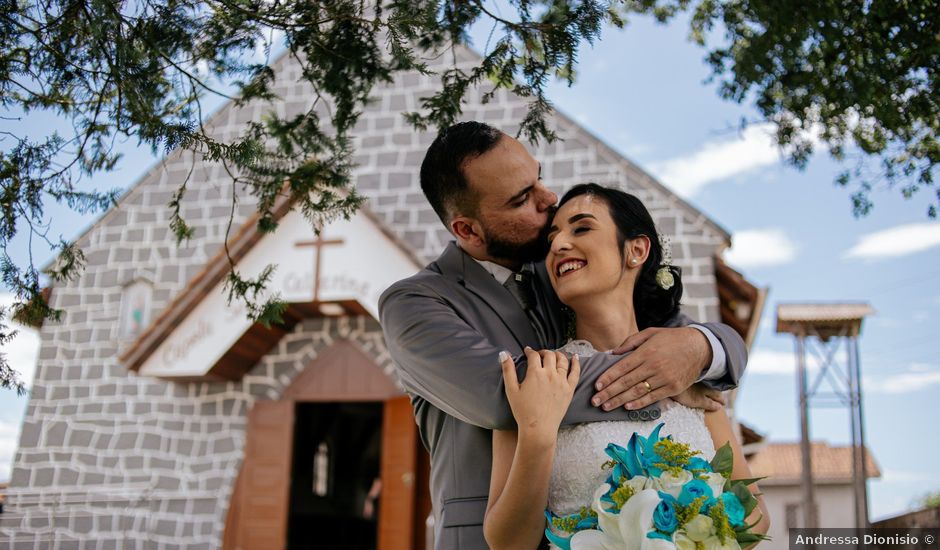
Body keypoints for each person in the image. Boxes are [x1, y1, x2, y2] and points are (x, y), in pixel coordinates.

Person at [379, 121, 749, 550]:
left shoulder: (567, 270)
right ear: (468, 230)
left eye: (538, 178)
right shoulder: (415, 303)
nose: (548, 199)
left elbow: (694, 338)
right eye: (522, 198)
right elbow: (505, 397)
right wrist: (657, 378)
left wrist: (700, 348)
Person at [483, 184, 769, 548]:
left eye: (581, 228)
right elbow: (507, 544)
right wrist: (537, 435)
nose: (558, 245)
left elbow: (755, 515)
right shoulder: (538, 376)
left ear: (636, 250)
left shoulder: (687, 377)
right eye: (552, 237)